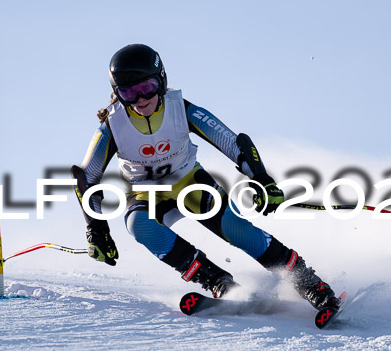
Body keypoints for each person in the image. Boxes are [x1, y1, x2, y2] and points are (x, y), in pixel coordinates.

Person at [71, 44, 340, 310]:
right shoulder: (113, 125)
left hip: (190, 183)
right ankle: (217, 282)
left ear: (162, 81)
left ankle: (310, 285)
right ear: (117, 94)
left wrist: (260, 178)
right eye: (129, 93)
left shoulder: (180, 109)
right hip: (145, 193)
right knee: (139, 225)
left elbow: (232, 143)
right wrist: (96, 229)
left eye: (147, 88)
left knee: (236, 227)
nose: (141, 99)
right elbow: (86, 179)